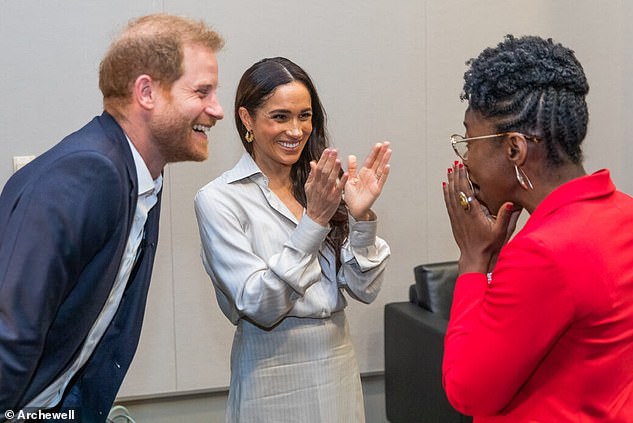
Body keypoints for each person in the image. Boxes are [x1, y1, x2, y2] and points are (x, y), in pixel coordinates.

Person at [0, 14, 224, 421]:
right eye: (202, 91)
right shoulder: (88, 172)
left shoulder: (141, 178)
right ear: (147, 92)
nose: (217, 109)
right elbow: (10, 330)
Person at [442, 34, 633, 421]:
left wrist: (473, 262)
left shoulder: (543, 252)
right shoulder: (624, 213)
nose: (467, 159)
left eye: (469, 140)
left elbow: (468, 392)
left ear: (515, 149)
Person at [194, 57, 391, 422]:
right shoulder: (219, 199)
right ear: (247, 119)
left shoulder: (320, 185)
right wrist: (313, 222)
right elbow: (259, 303)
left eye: (305, 115)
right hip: (268, 368)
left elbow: (364, 289)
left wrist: (361, 217)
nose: (296, 130)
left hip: (337, 362)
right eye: (280, 116)